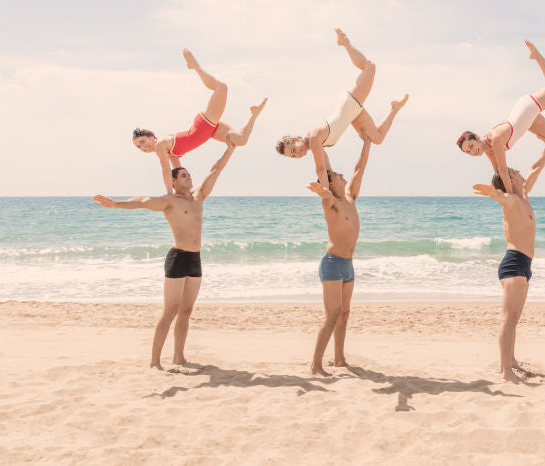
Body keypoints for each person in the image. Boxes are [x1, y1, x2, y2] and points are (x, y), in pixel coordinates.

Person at [93, 141, 237, 369]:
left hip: (195, 259)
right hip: (178, 257)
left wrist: (230, 148)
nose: (188, 178)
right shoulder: (169, 201)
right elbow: (142, 202)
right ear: (173, 181)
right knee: (170, 310)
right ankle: (154, 362)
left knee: (186, 311)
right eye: (183, 175)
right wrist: (116, 204)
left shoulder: (199, 196)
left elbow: (215, 170)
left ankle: (178, 357)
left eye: (189, 174)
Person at [472, 105, 545, 383]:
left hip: (524, 265)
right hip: (514, 263)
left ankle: (511, 360)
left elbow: (537, 167)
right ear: (508, 183)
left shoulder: (524, 196)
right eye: (513, 173)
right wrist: (493, 192)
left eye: (514, 171)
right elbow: (501, 197)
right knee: (508, 317)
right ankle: (505, 371)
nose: (516, 172)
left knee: (514, 318)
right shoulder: (512, 201)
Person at [276, 29, 407, 190]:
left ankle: (345, 42)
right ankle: (394, 109)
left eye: (294, 150)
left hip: (349, 104)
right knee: (377, 139)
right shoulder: (318, 148)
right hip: (353, 114)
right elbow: (328, 171)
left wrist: (325, 196)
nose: (298, 154)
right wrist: (333, 196)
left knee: (370, 67)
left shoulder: (315, 139)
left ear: (296, 139)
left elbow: (320, 170)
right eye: (294, 156)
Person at [132, 48, 266, 194]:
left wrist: (169, 195)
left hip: (204, 125)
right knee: (241, 140)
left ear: (152, 136)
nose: (143, 146)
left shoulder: (160, 145)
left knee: (221, 87)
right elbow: (177, 171)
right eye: (139, 146)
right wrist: (182, 193)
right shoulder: (168, 151)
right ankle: (254, 114)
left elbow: (166, 171)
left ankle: (195, 66)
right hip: (210, 131)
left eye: (143, 141)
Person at [458, 40, 545, 193]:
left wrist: (511, 197)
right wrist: (498, 192)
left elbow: (502, 170)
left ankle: (537, 56)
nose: (472, 152)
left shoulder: (495, 139)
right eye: (468, 152)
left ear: (476, 137)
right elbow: (499, 174)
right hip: (527, 121)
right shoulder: (489, 150)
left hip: (527, 108)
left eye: (471, 146)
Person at [305, 136, 373, 376]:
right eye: (337, 176)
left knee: (344, 313)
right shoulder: (330, 202)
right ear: (330, 184)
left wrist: (367, 142)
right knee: (333, 314)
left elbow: (359, 168)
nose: (342, 175)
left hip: (348, 265)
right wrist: (316, 149)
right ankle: (315, 365)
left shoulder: (350, 198)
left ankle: (339, 359)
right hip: (332, 264)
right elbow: (323, 170)